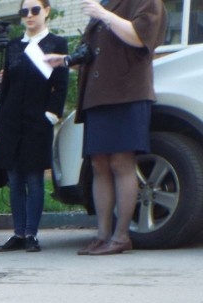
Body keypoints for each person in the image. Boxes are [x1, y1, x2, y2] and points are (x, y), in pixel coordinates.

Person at [46, 0, 166, 255]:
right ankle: (102, 235)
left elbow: (138, 37)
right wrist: (66, 60)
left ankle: (121, 236)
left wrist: (103, 14)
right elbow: (93, 52)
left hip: (126, 94)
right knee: (98, 164)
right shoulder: (107, 3)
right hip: (97, 97)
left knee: (121, 163)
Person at [0, 0, 68, 252]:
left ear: (46, 11)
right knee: (14, 180)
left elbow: (61, 85)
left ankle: (32, 233)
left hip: (37, 120)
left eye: (35, 10)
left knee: (34, 179)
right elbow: (9, 84)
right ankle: (18, 233)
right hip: (12, 121)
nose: (29, 15)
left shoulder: (56, 44)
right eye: (25, 11)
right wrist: (2, 116)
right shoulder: (15, 45)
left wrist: (51, 114)